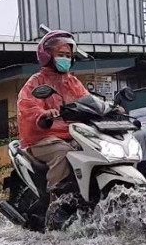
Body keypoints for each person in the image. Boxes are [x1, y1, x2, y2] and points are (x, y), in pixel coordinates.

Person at [16, 30, 90, 196]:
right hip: (42, 140)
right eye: (61, 54)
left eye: (68, 55)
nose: (65, 58)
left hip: (73, 135)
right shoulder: (36, 82)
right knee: (63, 153)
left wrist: (109, 109)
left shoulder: (72, 82)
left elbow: (87, 100)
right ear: (47, 55)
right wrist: (44, 115)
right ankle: (57, 201)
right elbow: (29, 107)